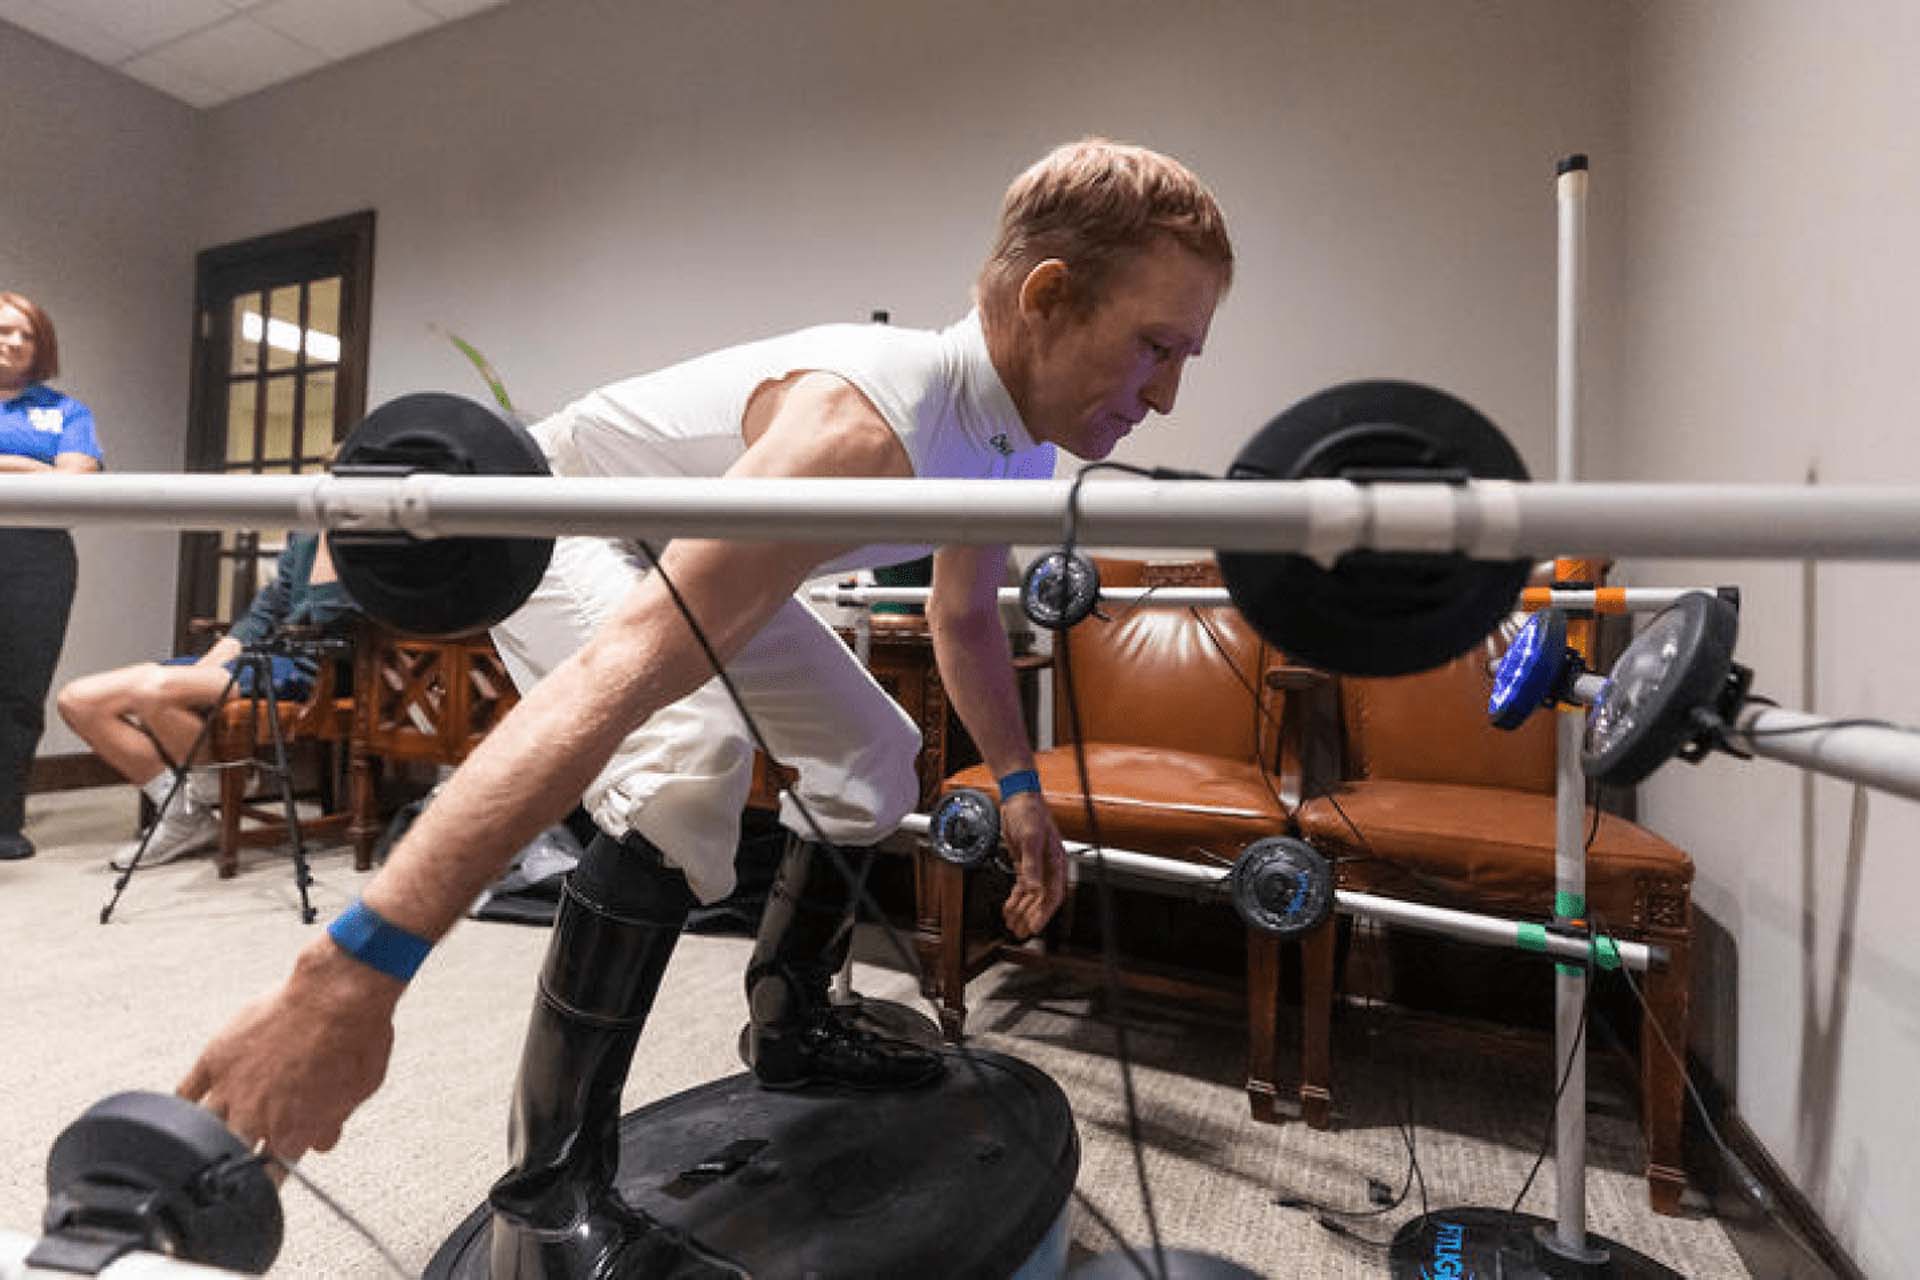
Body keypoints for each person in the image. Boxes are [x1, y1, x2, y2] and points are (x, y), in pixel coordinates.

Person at [180, 138, 1233, 1277]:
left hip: (687, 555)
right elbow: (625, 664)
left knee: (875, 756)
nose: (1167, 392)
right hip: (570, 519)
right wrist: (346, 974)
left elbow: (965, 616)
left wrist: (1021, 791)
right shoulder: (869, 424)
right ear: (1049, 297)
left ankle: (792, 1017)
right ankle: (546, 1188)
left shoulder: (1018, 445)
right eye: (1155, 347)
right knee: (690, 754)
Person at [56, 531, 358, 870]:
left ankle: (218, 786)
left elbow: (334, 619)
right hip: (256, 658)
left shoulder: (367, 542)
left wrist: (330, 542)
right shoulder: (302, 539)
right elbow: (258, 619)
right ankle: (185, 815)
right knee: (79, 701)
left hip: (310, 670)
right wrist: (198, 673)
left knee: (152, 691)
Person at [0, 293, 103, 862]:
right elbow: (53, 474)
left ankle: (3, 820)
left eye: (28, 335)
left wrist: (7, 464)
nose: (15, 342)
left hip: (36, 560)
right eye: (5, 330)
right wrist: (33, 468)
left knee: (17, 692)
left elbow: (76, 485)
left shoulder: (66, 412)